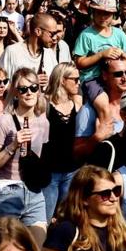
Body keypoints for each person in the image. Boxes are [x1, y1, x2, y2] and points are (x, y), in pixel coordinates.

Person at [41, 165, 126, 251]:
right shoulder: (67, 230)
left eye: (116, 191)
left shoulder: (120, 231)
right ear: (84, 199)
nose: (113, 198)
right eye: (105, 194)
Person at [0, 68, 50, 237]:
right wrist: (13, 145)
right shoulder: (5, 121)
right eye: (23, 89)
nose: (29, 93)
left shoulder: (43, 121)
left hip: (34, 192)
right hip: (7, 190)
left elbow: (40, 158)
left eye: (33, 88)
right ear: (15, 93)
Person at [43, 61, 83, 214]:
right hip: (50, 172)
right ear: (62, 80)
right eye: (75, 79)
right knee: (45, 220)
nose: (78, 83)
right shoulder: (44, 102)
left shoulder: (77, 103)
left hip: (71, 171)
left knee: (66, 218)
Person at [73, 0, 126, 82]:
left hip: (118, 78)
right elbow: (79, 63)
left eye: (107, 14)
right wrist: (101, 55)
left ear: (113, 15)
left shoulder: (119, 34)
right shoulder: (86, 35)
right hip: (93, 79)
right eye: (98, 13)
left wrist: (122, 54)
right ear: (93, 13)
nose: (102, 17)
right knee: (102, 96)